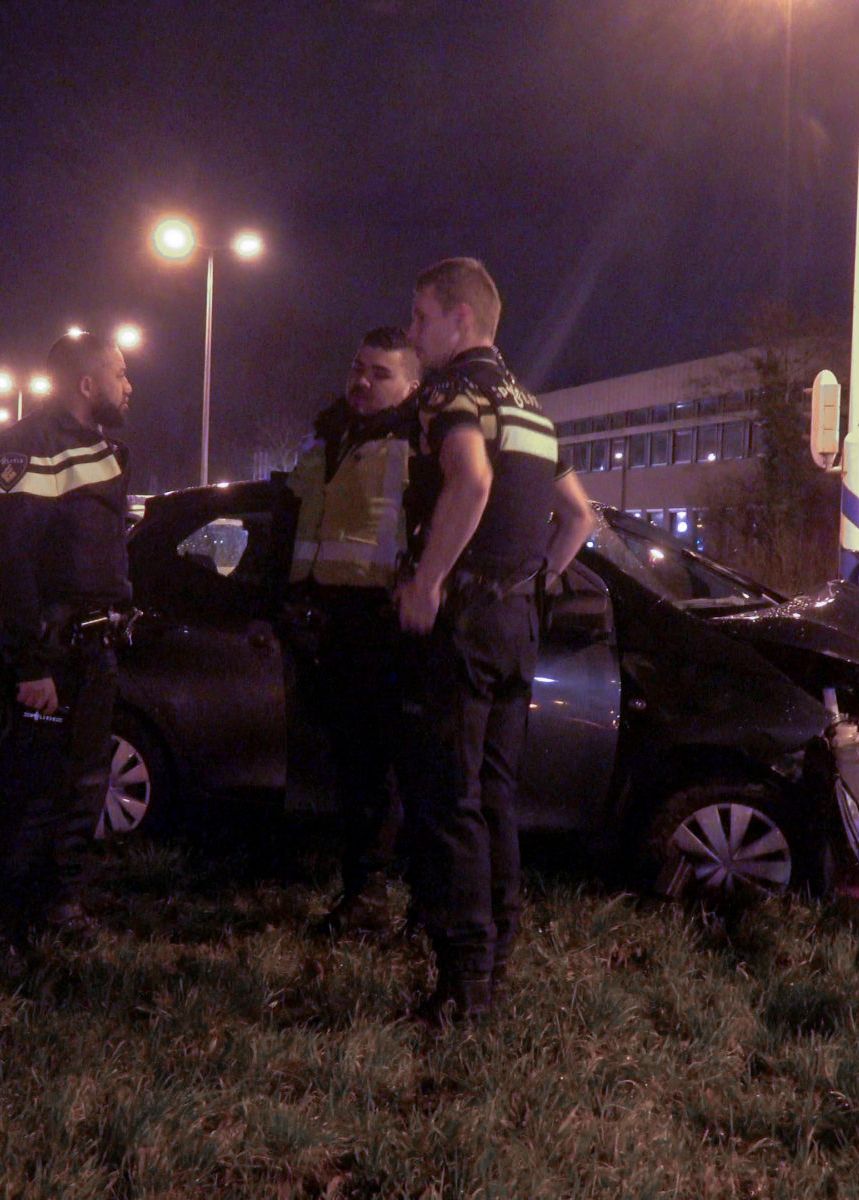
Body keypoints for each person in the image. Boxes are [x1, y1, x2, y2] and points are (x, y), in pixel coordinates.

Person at [395, 258, 595, 1024]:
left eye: (421, 319)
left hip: (465, 626)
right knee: (498, 797)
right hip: (517, 626)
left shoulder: (454, 393)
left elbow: (470, 483)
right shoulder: (535, 410)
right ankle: (498, 954)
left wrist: (428, 581)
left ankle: (463, 989)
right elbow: (577, 516)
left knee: (452, 801)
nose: (415, 336)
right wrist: (534, 581)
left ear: (460, 322)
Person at [0, 330, 134, 953]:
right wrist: (31, 664)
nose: (129, 385)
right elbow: (11, 565)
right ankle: (7, 920)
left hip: (95, 651)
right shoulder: (26, 448)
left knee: (84, 784)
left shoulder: (103, 448)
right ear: (87, 383)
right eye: (120, 373)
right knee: (32, 789)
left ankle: (59, 904)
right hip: (50, 650)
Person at [285, 326, 422, 936]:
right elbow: (292, 522)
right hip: (326, 625)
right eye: (357, 367)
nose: (362, 381)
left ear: (412, 385)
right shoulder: (326, 437)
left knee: (381, 772)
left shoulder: (419, 444)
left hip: (386, 630)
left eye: (380, 373)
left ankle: (377, 897)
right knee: (352, 769)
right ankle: (362, 892)